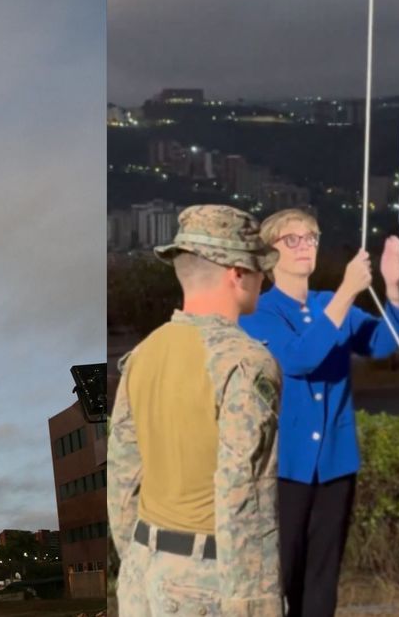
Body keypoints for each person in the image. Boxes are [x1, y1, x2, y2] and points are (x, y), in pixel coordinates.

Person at [107, 204, 283, 616]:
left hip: (142, 575)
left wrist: (137, 561)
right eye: (260, 269)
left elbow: (122, 478)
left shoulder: (142, 355)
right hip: (208, 580)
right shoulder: (245, 361)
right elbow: (244, 492)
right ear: (237, 272)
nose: (264, 281)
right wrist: (256, 606)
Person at [237, 208, 399, 617]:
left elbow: (383, 344)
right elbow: (299, 359)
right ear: (270, 253)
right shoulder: (256, 313)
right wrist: (348, 291)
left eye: (310, 237)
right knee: (281, 576)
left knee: (322, 578)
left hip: (335, 465)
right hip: (285, 468)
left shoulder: (330, 304)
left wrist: (395, 289)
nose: (304, 246)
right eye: (291, 239)